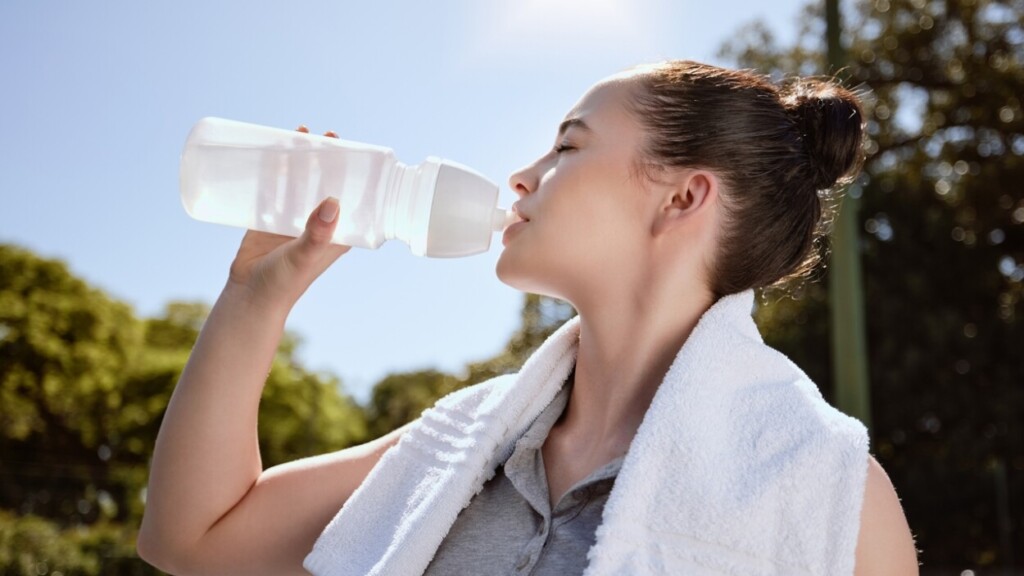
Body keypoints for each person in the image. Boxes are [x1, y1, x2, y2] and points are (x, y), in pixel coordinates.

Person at [137, 61, 918, 575]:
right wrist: (256, 292)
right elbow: (190, 538)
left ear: (682, 197)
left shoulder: (831, 493)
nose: (522, 176)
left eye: (566, 149)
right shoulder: (458, 450)